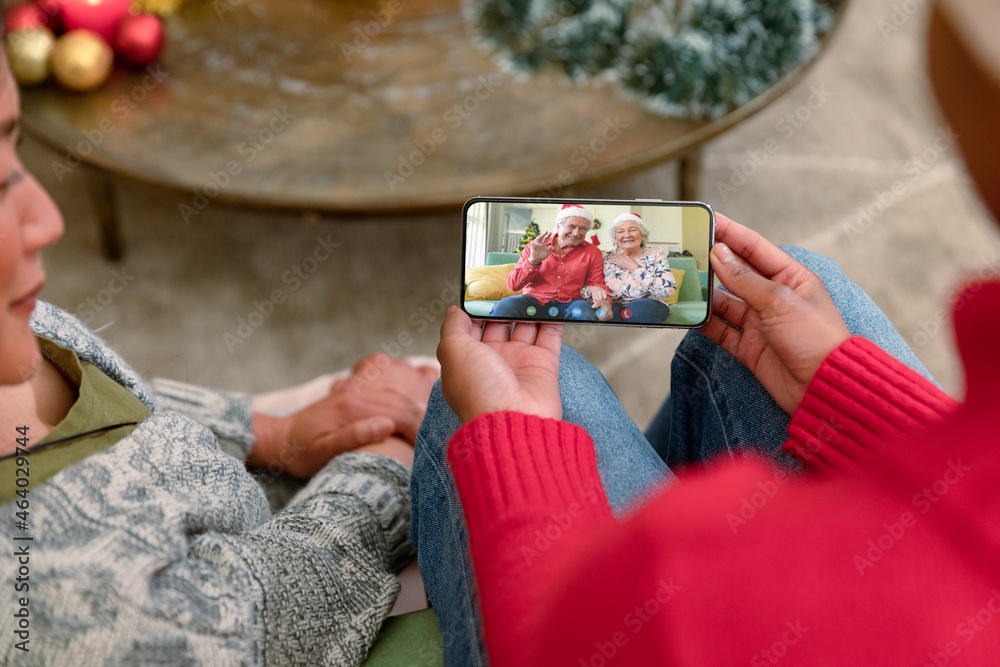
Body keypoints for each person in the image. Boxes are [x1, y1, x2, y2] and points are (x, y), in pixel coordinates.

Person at [409, 0, 1000, 663]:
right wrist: (855, 391)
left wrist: (514, 448)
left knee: (526, 388)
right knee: (795, 294)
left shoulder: (698, 581)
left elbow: (572, 641)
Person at [0, 51, 437, 664]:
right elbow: (267, 622)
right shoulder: (42, 600)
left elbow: (125, 415)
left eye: (15, 146)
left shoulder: (12, 327)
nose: (47, 219)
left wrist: (264, 429)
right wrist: (384, 466)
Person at [490, 204, 612, 321]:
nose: (576, 233)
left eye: (582, 229)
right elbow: (513, 285)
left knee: (585, 312)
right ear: (558, 227)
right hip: (534, 301)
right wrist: (533, 260)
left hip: (570, 304)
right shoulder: (535, 246)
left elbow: (596, 283)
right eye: (571, 226)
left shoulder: (592, 252)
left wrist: (605, 300)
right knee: (505, 306)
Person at [591, 212, 676, 323]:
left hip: (649, 305)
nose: (627, 235)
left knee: (640, 308)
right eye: (620, 231)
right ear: (615, 238)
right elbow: (588, 286)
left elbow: (668, 289)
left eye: (632, 230)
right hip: (614, 305)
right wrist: (603, 300)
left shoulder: (655, 254)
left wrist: (634, 268)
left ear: (643, 234)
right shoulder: (604, 257)